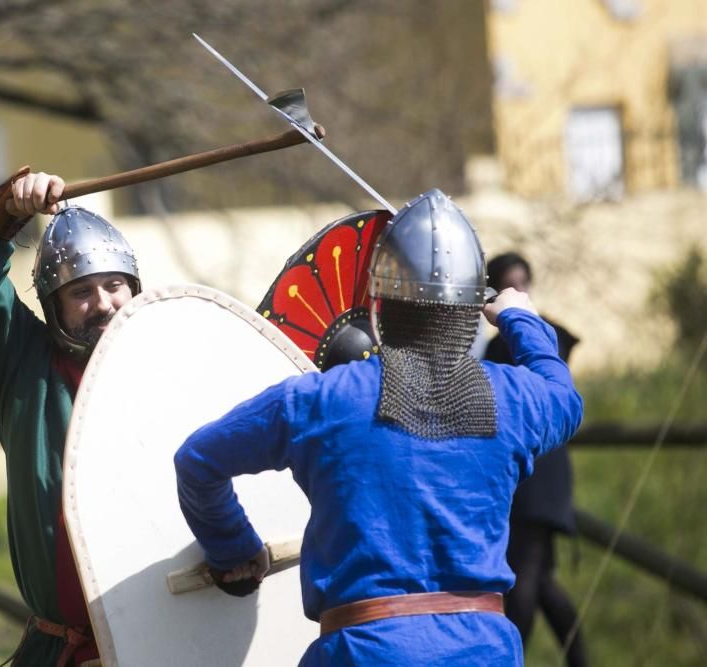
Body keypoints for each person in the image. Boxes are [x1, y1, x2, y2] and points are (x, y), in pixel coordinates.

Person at [174, 189, 583, 665]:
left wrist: (233, 548)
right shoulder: (516, 399)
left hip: (364, 652)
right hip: (483, 651)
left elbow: (197, 461)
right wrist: (519, 317)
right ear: (471, 312)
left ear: (377, 305)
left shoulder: (320, 399)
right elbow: (565, 398)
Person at [0, 167, 139, 666]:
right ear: (55, 306)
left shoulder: (172, 372)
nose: (103, 303)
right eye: (81, 292)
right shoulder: (23, 367)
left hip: (169, 641)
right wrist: (7, 210)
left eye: (115, 285)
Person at [485, 252, 586, 666]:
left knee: (525, 585)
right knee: (539, 581)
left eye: (523, 281)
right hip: (524, 473)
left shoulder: (542, 335)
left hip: (540, 478)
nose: (520, 290)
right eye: (511, 283)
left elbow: (559, 377)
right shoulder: (496, 346)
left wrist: (519, 319)